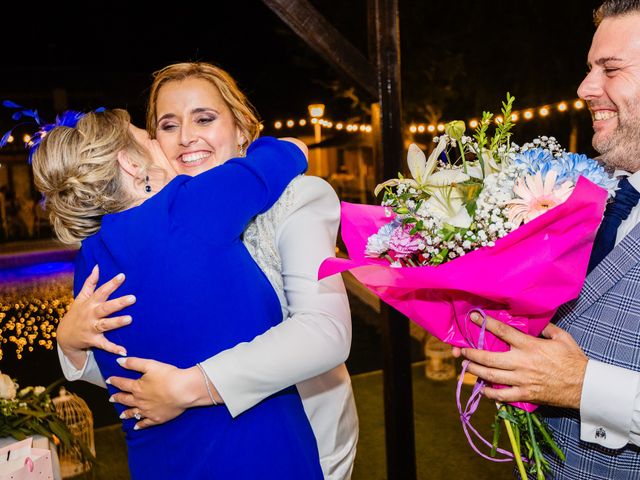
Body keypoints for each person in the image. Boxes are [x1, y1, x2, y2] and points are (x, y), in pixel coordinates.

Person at [56, 62, 358, 479]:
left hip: (301, 431)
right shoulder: (164, 221)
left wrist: (187, 387)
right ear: (144, 151)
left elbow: (326, 332)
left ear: (242, 129)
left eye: (204, 118)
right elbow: (136, 367)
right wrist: (72, 344)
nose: (185, 137)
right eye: (165, 125)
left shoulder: (297, 197)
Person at [455, 1, 640, 477]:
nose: (585, 88)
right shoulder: (579, 189)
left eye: (611, 69)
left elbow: (575, 376)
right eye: (588, 68)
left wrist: (583, 387)